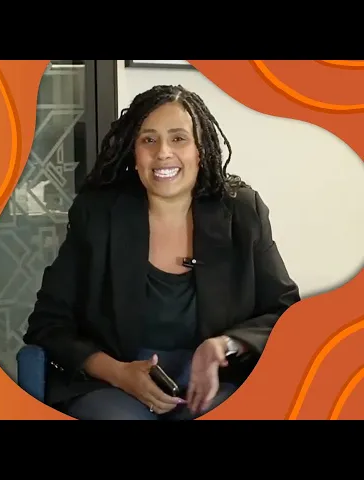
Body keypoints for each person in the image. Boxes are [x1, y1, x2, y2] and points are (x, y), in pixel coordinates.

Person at [22, 85, 300, 420]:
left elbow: (285, 312)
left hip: (213, 386)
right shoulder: (98, 214)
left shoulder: (241, 212)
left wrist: (225, 344)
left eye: (179, 138)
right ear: (134, 153)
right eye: (148, 140)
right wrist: (117, 372)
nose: (163, 152)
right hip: (113, 387)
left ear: (200, 150)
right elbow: (48, 323)